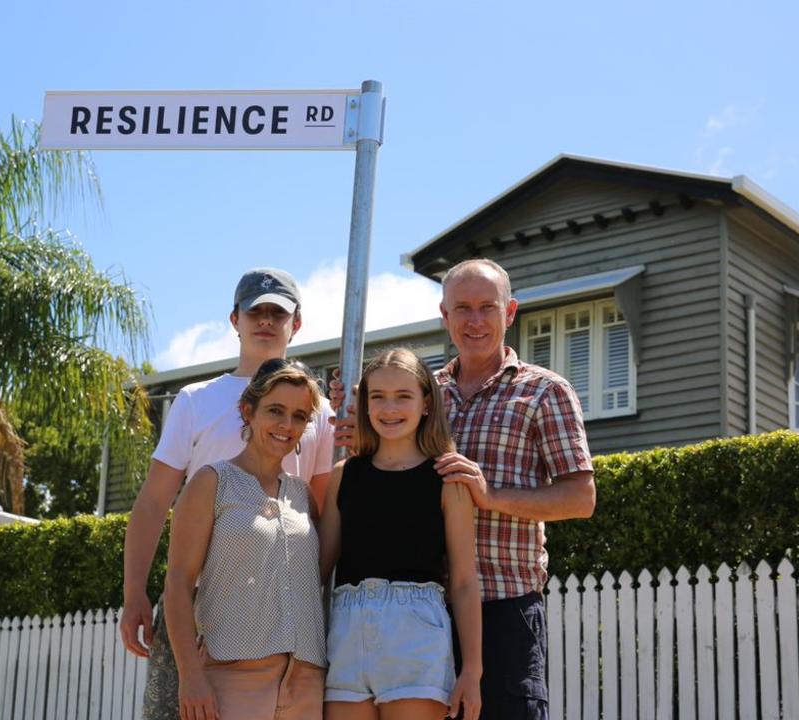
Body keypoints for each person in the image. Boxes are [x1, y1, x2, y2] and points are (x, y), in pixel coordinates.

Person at [333, 259, 595, 720]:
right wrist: (359, 419)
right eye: (463, 308)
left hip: (503, 606)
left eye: (486, 308)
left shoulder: (544, 391)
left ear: (509, 312)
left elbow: (580, 498)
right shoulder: (421, 391)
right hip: (419, 612)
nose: (475, 321)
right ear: (444, 315)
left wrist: (489, 495)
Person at [121, 268, 335, 720]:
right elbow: (154, 502)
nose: (266, 321)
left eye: (278, 313)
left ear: (295, 325)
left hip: (278, 618)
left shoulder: (318, 412)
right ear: (234, 319)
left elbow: (323, 513)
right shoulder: (195, 400)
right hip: (195, 600)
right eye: (255, 311)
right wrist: (133, 590)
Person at [319, 349, 483, 720]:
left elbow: (462, 582)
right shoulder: (345, 475)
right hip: (346, 636)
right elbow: (317, 571)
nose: (389, 408)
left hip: (416, 636)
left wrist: (472, 669)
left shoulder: (447, 479)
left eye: (403, 396)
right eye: (377, 397)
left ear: (426, 404)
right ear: (365, 405)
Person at [165, 359, 328, 720]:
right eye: (275, 411)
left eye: (299, 416)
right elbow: (177, 584)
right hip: (231, 680)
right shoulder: (211, 483)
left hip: (307, 686)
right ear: (247, 410)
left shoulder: (304, 497)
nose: (287, 425)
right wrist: (191, 676)